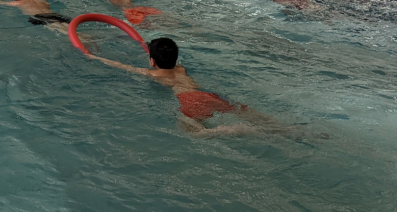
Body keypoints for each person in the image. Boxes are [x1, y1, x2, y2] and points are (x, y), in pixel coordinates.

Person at [87, 37, 283, 137]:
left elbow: (121, 66)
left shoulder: (153, 73)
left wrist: (93, 56)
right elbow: (168, 56)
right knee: (241, 111)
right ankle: (282, 128)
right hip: (208, 95)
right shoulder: (181, 69)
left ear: (152, 61)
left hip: (189, 101)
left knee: (195, 133)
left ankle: (231, 130)